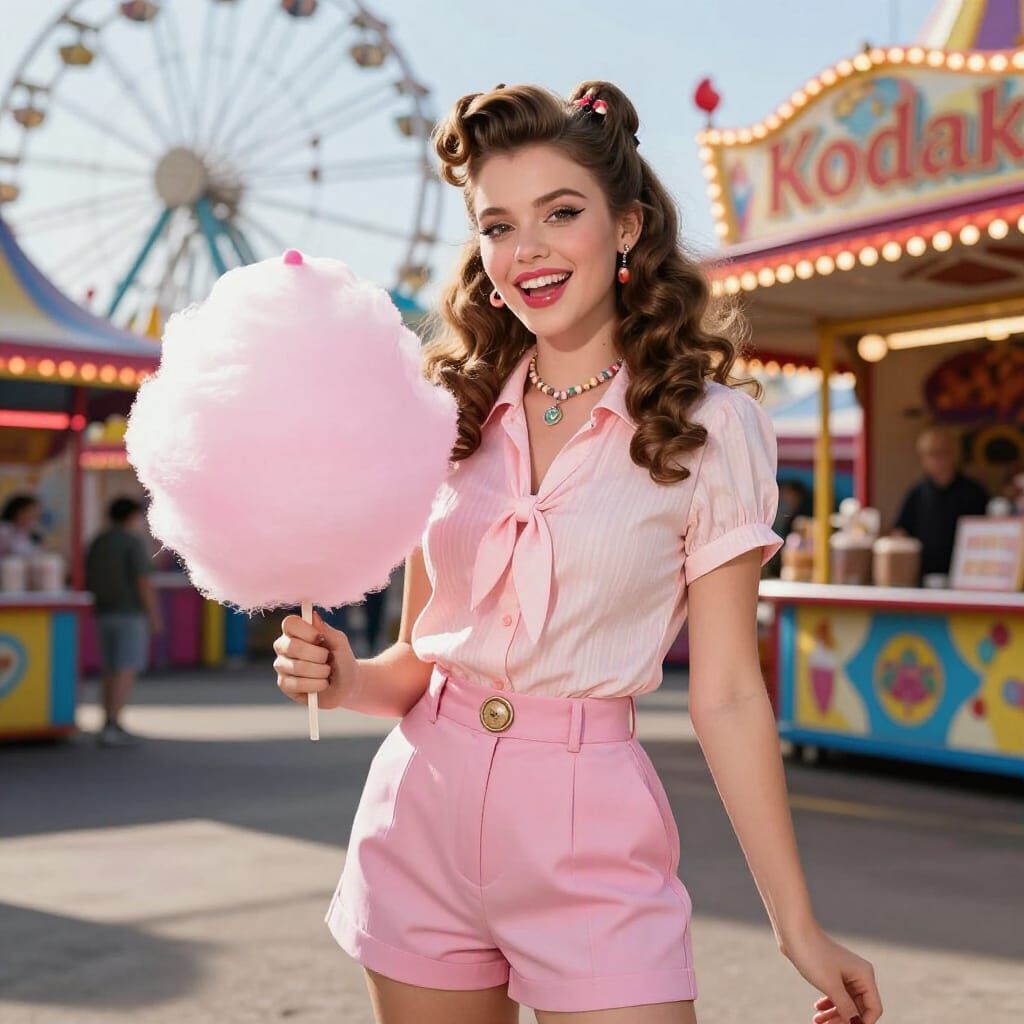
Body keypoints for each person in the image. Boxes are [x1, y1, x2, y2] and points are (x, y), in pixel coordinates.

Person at [272, 82, 883, 1024]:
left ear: (627, 226)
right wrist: (345, 677)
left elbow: (727, 693)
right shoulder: (448, 416)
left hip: (589, 832)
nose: (529, 250)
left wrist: (795, 925)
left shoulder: (711, 427)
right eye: (499, 225)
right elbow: (419, 662)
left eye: (561, 213)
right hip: (416, 817)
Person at [85, 496, 163, 747]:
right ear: (132, 516)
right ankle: (114, 724)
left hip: (103, 612)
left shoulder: (99, 541)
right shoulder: (132, 542)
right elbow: (142, 581)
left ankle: (107, 721)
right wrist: (154, 616)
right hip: (130, 613)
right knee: (125, 669)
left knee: (110, 669)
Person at [891, 425, 989, 581]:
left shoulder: (975, 492)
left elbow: (989, 536)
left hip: (967, 577)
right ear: (923, 459)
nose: (938, 459)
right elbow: (900, 532)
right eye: (932, 453)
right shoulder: (916, 493)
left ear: (955, 454)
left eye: (943, 452)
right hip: (924, 579)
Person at [0, 493, 44, 557]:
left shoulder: (28, 533)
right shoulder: (4, 531)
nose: (36, 519)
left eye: (38, 515)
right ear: (19, 512)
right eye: (33, 513)